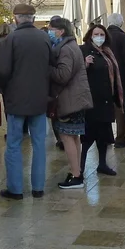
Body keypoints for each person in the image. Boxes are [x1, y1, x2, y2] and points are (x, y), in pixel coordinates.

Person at [0, 3, 52, 200]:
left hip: (16, 100)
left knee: (14, 144)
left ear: (16, 18)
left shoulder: (12, 39)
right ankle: (38, 188)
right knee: (39, 144)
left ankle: (16, 189)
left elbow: (1, 71)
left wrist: (7, 87)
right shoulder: (44, 38)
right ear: (33, 18)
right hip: (40, 99)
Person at [48, 17, 92, 189]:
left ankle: (76, 176)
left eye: (52, 29)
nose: (50, 32)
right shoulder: (72, 46)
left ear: (61, 31)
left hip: (69, 99)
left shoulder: (66, 49)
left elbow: (62, 75)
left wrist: (48, 68)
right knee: (74, 137)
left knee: (67, 137)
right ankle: (77, 171)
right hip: (76, 98)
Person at [80, 24, 123, 177]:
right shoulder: (83, 50)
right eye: (96, 34)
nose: (99, 37)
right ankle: (79, 167)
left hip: (106, 100)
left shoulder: (107, 52)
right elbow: (77, 73)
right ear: (90, 35)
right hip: (92, 101)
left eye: (102, 34)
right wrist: (85, 64)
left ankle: (102, 164)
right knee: (88, 136)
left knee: (103, 135)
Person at [106, 13, 125, 147]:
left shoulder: (101, 37)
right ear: (120, 23)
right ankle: (120, 138)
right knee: (120, 109)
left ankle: (106, 137)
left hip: (103, 79)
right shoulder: (124, 38)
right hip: (121, 79)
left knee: (105, 108)